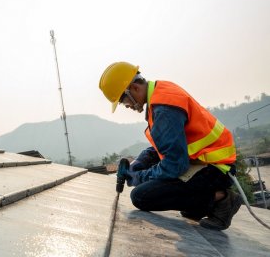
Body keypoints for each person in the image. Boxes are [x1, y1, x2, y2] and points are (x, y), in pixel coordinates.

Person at [99, 61, 242, 231]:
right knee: (160, 186)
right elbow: (166, 144)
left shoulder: (164, 110)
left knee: (141, 196)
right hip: (202, 161)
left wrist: (139, 177)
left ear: (134, 89)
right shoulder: (160, 92)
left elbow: (174, 165)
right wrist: (139, 162)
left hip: (215, 169)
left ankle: (222, 199)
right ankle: (199, 206)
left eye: (123, 101)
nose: (126, 106)